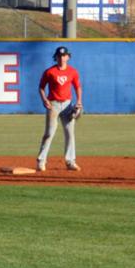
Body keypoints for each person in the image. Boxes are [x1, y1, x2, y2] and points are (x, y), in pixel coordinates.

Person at [36, 45, 83, 173]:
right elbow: (41, 87)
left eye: (64, 55)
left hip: (67, 105)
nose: (62, 58)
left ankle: (70, 161)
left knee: (69, 134)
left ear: (68, 57)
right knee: (49, 133)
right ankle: (41, 161)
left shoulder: (73, 72)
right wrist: (44, 100)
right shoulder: (49, 72)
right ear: (55, 57)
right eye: (59, 56)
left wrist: (79, 101)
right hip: (53, 105)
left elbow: (77, 87)